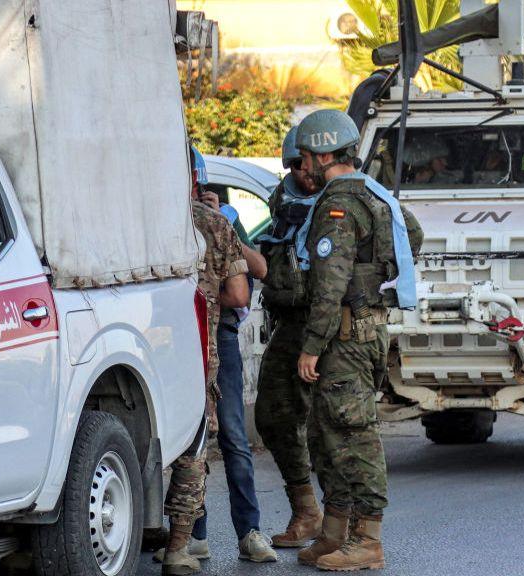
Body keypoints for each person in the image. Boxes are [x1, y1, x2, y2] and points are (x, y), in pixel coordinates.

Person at [292, 109, 423, 571]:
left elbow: (330, 283)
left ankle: (367, 540)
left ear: (325, 154)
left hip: (343, 337)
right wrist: (379, 276)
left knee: (354, 436)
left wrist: (311, 345)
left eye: (306, 156)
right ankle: (335, 533)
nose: (302, 165)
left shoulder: (339, 206)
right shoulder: (376, 195)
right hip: (362, 331)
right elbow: (414, 234)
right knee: (328, 433)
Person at [160, 148, 252, 576]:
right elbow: (239, 295)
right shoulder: (214, 223)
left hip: (143, 344)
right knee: (194, 446)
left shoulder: (144, 220)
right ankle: (180, 545)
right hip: (198, 350)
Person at [185, 148, 275, 564]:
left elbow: (259, 268)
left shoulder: (208, 223)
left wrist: (230, 227)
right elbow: (240, 293)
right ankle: (249, 533)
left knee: (190, 438)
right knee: (234, 437)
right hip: (217, 335)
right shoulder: (212, 223)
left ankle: (191, 534)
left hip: (172, 337)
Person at [254, 125, 326, 549]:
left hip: (330, 322)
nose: (302, 171)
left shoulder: (348, 197)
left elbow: (406, 236)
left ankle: (346, 522)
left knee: (332, 426)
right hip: (290, 322)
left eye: (308, 162)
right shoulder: (284, 200)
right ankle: (307, 511)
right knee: (273, 415)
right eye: (295, 164)